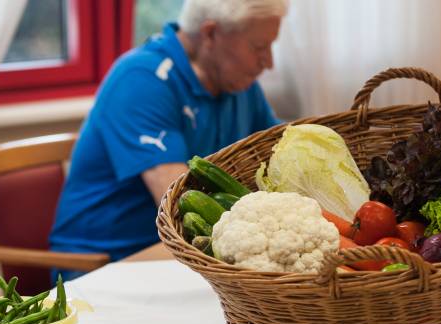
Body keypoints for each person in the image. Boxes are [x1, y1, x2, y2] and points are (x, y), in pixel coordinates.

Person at [49, 0, 287, 280]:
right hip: (107, 265)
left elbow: (282, 158)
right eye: (259, 47)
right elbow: (183, 206)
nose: (268, 62)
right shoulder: (141, 79)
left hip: (180, 257)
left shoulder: (236, 82)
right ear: (210, 34)